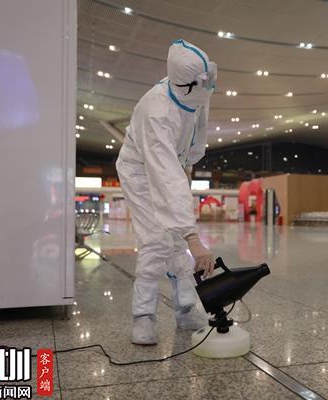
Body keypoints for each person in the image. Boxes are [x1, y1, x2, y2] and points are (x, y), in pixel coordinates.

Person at [115, 40, 217, 345]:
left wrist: (188, 165)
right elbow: (164, 175)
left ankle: (185, 309)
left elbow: (195, 137)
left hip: (173, 163)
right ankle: (143, 316)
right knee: (157, 241)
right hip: (140, 172)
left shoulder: (197, 90)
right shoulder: (156, 112)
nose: (210, 87)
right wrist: (194, 237)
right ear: (185, 84)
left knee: (176, 242)